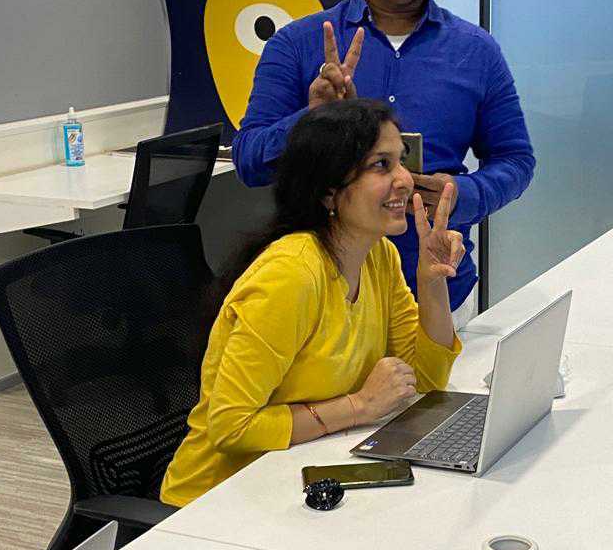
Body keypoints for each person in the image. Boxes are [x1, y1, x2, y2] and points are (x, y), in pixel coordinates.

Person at [233, 0, 534, 327]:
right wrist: (311, 120)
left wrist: (464, 193)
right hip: (318, 300)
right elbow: (249, 161)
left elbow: (516, 161)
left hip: (437, 289)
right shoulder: (296, 44)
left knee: (445, 402)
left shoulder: (476, 52)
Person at [161, 99, 464, 508]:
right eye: (382, 165)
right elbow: (231, 426)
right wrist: (358, 406)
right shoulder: (291, 276)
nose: (405, 179)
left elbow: (426, 384)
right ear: (328, 192)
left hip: (299, 480)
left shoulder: (379, 256)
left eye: (401, 161)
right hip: (214, 503)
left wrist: (432, 282)